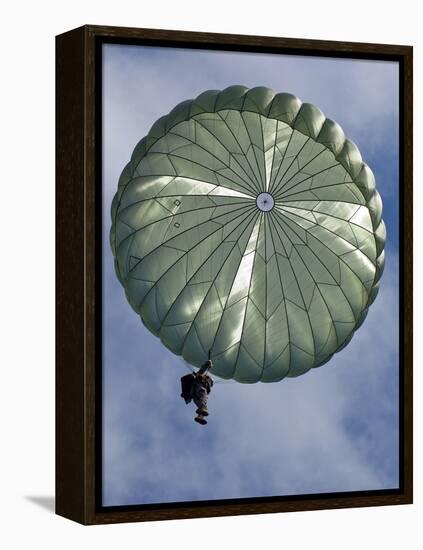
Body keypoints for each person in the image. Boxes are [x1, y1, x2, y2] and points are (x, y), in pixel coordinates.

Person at [180, 359, 213, 426]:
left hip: (199, 389)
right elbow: (203, 369)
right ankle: (201, 416)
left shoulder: (204, 382)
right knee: (199, 402)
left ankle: (202, 411)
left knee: (201, 400)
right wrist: (208, 363)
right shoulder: (199, 376)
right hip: (194, 392)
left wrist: (208, 364)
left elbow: (203, 370)